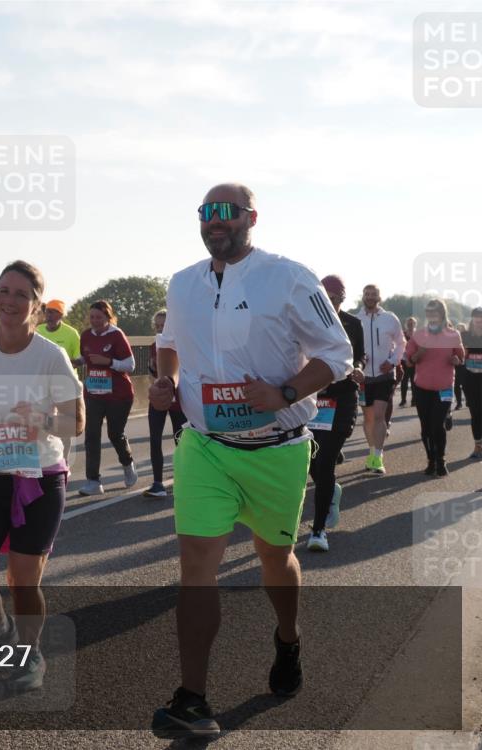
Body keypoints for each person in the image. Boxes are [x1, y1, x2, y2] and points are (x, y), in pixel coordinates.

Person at [149, 184, 352, 737]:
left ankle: (287, 637)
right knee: (196, 568)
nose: (215, 222)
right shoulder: (183, 282)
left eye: (226, 212)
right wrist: (166, 377)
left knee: (274, 558)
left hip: (277, 450)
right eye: (206, 213)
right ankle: (193, 699)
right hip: (206, 447)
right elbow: (169, 340)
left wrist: (285, 392)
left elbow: (337, 355)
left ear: (250, 218)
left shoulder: (288, 277)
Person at [0, 260, 84, 692]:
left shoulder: (50, 355)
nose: (9, 301)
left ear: (37, 305)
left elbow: (76, 421)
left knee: (23, 579)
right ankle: (0, 630)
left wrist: (43, 419)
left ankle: (31, 654)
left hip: (39, 477)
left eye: (21, 294)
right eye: (3, 291)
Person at [305, 275, 365, 552]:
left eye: (336, 298)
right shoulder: (306, 321)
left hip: (341, 400)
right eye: (326, 297)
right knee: (311, 462)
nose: (332, 303)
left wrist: (359, 367)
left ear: (343, 298)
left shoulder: (353, 324)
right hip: (313, 399)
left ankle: (318, 530)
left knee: (326, 460)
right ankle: (331, 494)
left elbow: (360, 355)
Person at [77, 300, 137, 496]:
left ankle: (127, 463)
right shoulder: (86, 335)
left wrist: (108, 362)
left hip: (118, 395)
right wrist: (75, 362)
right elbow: (87, 357)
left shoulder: (117, 335)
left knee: (115, 434)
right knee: (91, 436)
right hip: (94, 393)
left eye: (99, 318)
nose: (95, 321)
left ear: (108, 318)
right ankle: (93, 481)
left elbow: (130, 365)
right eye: (92, 317)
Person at [405, 299, 466, 476]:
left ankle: (441, 460)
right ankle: (431, 460)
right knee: (426, 427)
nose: (432, 315)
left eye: (436, 311)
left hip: (444, 387)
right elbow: (408, 361)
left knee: (437, 426)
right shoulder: (419, 335)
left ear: (442, 313)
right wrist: (419, 354)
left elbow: (460, 357)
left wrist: (456, 360)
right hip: (422, 387)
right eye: (429, 311)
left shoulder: (453, 335)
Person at [355, 284, 404, 474]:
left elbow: (401, 343)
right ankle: (372, 452)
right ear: (363, 296)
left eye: (373, 294)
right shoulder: (355, 319)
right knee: (367, 418)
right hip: (363, 376)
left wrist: (392, 362)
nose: (369, 296)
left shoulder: (390, 319)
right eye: (367, 293)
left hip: (384, 375)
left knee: (378, 415)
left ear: (379, 297)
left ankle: (378, 456)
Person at [144, 308, 186, 498]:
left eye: (164, 325)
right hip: (159, 398)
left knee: (182, 441)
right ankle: (158, 483)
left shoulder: (185, 343)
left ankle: (185, 480)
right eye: (157, 326)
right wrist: (153, 370)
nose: (160, 329)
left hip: (180, 400)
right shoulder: (154, 345)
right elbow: (156, 373)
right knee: (155, 439)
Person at [461, 308, 482, 459]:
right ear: (472, 319)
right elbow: (458, 354)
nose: (479, 321)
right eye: (477, 318)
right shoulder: (464, 336)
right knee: (475, 414)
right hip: (470, 381)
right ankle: (478, 447)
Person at [35, 299, 82, 367]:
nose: (49, 315)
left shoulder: (72, 333)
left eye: (52, 312)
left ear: (61, 315)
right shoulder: (37, 330)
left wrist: (61, 365)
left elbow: (79, 360)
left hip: (65, 376)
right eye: (47, 312)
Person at [400, 316, 418, 407]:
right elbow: (401, 347)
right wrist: (406, 359)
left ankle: (414, 400)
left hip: (415, 361)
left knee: (414, 381)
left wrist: (413, 359)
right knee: (404, 381)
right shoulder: (403, 334)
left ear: (415, 324)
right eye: (409, 323)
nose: (410, 325)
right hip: (404, 361)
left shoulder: (418, 335)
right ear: (406, 324)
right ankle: (403, 399)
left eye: (412, 323)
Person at [454, 322, 469, 410]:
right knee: (456, 385)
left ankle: (467, 400)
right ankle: (459, 402)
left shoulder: (467, 337)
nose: (460, 329)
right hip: (456, 364)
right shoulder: (454, 337)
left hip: (464, 363)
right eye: (458, 327)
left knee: (464, 384)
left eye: (461, 327)